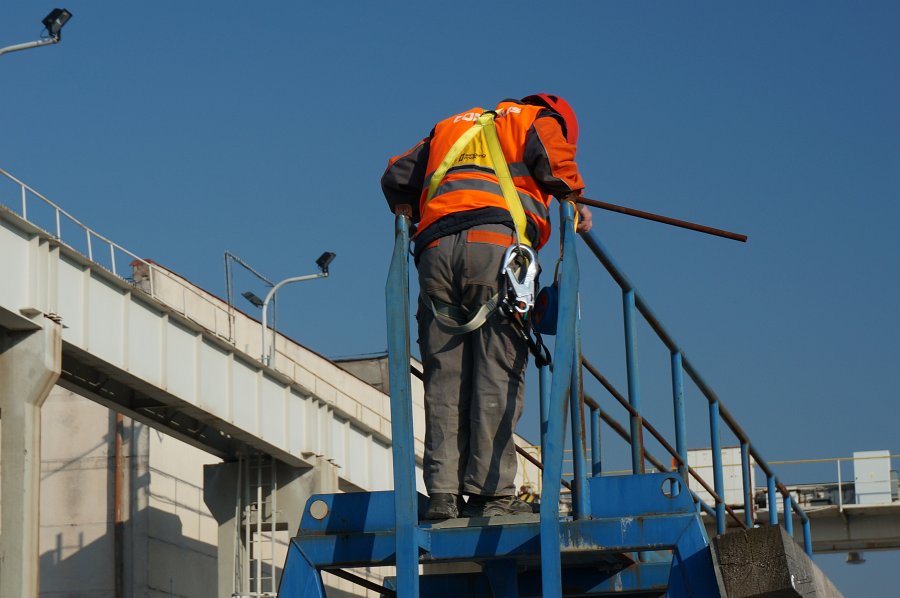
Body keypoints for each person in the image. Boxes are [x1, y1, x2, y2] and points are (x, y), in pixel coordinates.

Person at [381, 94, 592, 519]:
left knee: (445, 380)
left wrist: (412, 211)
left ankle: (443, 493)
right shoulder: (535, 118)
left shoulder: (450, 127)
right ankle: (491, 495)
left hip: (435, 253)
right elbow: (555, 164)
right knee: (497, 372)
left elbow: (396, 175)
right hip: (495, 251)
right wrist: (576, 200)